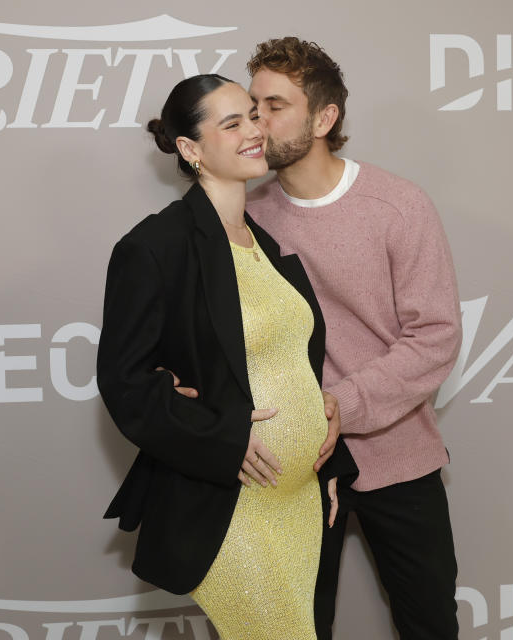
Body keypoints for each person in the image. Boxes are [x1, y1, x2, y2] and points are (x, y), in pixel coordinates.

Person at [96, 73, 357, 640]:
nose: (254, 131)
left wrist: (328, 463)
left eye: (255, 117)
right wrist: (222, 437)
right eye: (231, 122)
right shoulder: (155, 246)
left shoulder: (264, 243)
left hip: (300, 504)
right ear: (190, 149)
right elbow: (125, 383)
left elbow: (294, 367)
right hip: (233, 508)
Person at [244, 39, 464, 639]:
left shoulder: (398, 206)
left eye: (276, 105)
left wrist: (343, 403)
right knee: (294, 629)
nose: (258, 121)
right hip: (292, 466)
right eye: (253, 105)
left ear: (324, 118)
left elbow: (435, 337)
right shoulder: (244, 218)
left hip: (399, 455)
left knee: (430, 627)